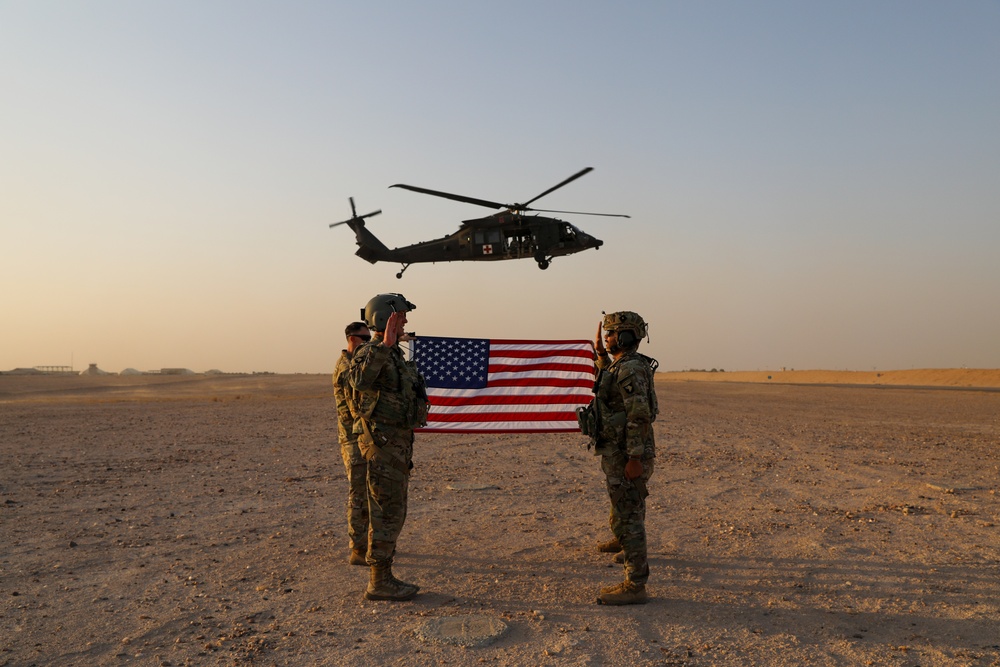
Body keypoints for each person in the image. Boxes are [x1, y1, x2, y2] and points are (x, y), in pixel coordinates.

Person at [348, 293, 429, 601]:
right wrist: (384, 346)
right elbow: (358, 380)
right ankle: (378, 581)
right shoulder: (371, 351)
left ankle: (383, 576)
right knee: (385, 512)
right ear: (385, 318)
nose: (406, 319)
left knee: (394, 511)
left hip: (397, 446)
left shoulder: (394, 354)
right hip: (381, 447)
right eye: (402, 315)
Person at [583, 311, 658, 605]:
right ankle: (623, 540)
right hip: (618, 450)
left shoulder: (629, 370)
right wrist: (600, 355)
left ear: (626, 337)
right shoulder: (621, 366)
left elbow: (638, 416)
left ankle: (635, 584)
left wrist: (635, 458)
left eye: (612, 333)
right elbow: (609, 389)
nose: (606, 336)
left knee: (630, 514)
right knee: (625, 506)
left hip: (628, 452)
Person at [332, 321, 372, 566]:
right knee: (358, 493)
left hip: (360, 437)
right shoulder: (347, 367)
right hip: (352, 439)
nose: (369, 344)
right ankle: (358, 548)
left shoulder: (353, 363)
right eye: (366, 339)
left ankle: (367, 543)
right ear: (352, 339)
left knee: (367, 491)